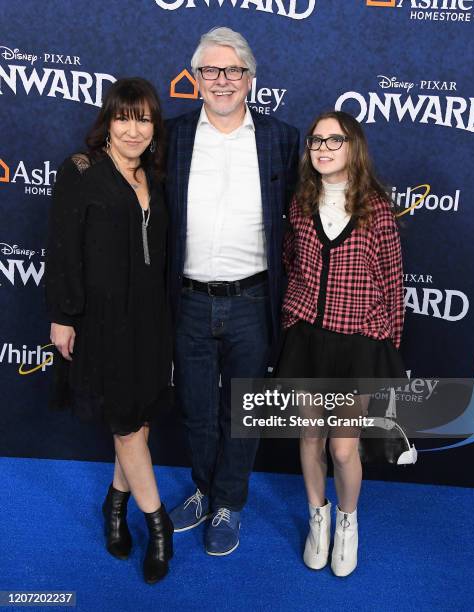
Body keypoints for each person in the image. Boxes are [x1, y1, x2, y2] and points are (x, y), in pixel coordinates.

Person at [165, 27, 299, 556]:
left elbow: (315, 206)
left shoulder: (282, 139)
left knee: (243, 411)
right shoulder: (171, 137)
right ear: (195, 79)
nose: (222, 81)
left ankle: (229, 503)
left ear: (251, 78)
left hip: (252, 301)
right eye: (210, 71)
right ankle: (202, 488)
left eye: (233, 70)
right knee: (197, 409)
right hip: (189, 300)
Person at [45, 78, 173, 584]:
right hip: (102, 322)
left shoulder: (156, 178)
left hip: (151, 321)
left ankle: (114, 507)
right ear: (108, 121)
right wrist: (62, 314)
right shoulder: (82, 172)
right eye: (124, 117)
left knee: (139, 424)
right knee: (124, 424)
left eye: (144, 118)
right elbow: (61, 246)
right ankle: (158, 525)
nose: (134, 129)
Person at [276, 110, 405, 576]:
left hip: (356, 345)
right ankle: (319, 517)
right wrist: (295, 312)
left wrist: (388, 343)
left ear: (354, 147)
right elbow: (291, 262)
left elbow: (392, 282)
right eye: (316, 141)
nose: (324, 148)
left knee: (343, 448)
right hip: (308, 339)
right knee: (310, 436)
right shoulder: (299, 205)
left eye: (335, 140)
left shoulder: (376, 208)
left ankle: (347, 521)